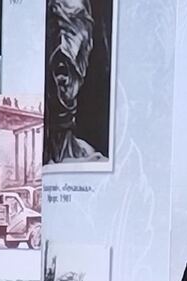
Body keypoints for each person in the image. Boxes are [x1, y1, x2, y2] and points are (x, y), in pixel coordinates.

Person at [44, 0, 106, 164]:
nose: (62, 46)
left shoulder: (96, 162)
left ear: (89, 45)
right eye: (54, 25)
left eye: (74, 25)